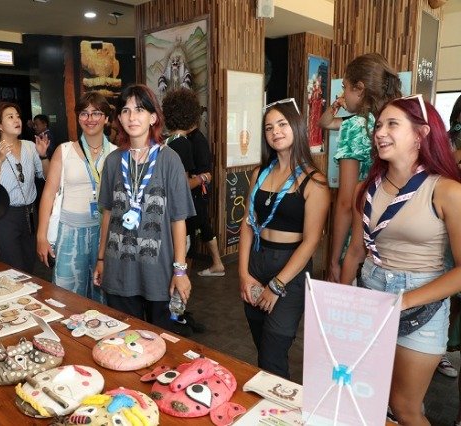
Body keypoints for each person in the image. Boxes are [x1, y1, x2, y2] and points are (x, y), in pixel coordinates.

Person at [340, 95, 461, 425]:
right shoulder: (366, 189)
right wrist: (340, 302)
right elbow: (356, 251)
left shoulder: (447, 191)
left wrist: (403, 301)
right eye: (379, 125)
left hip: (422, 305)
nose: (380, 132)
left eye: (392, 124)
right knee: (366, 395)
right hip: (371, 295)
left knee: (405, 408)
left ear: (421, 134)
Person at [238, 98, 330, 379]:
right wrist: (243, 274)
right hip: (257, 260)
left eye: (282, 124)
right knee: (261, 344)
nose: (275, 131)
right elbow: (247, 223)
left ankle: (277, 403)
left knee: (274, 350)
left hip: (290, 269)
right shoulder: (259, 173)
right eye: (269, 128)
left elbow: (311, 241)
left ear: (297, 127)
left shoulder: (315, 181)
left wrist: (277, 285)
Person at [93, 84, 195, 330]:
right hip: (119, 270)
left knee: (161, 340)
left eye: (139, 109)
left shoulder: (169, 159)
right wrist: (101, 259)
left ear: (153, 117)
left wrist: (180, 271)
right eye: (125, 111)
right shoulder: (113, 161)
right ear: (119, 119)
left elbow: (178, 220)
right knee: (124, 338)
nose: (132, 117)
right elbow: (108, 214)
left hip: (158, 273)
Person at [319, 53, 402, 282]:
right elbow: (324, 123)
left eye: (344, 87)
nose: (343, 94)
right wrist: (337, 104)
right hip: (393, 238)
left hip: (360, 239)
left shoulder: (356, 126)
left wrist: (334, 260)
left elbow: (346, 203)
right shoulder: (396, 122)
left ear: (359, 88)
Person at [36, 92, 116, 303]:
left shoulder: (116, 154)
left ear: (106, 118)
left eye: (96, 113)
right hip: (69, 233)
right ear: (78, 118)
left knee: (103, 297)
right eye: (84, 113)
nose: (90, 119)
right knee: (66, 298)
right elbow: (48, 194)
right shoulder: (64, 150)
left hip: (104, 234)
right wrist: (41, 236)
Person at [0, 101, 49, 273]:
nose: (17, 120)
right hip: (5, 216)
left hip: (30, 213)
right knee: (15, 269)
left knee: (30, 266)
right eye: (10, 117)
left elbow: (47, 177)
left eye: (17, 116)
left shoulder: (31, 146)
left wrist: (43, 155)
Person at [161, 88, 225, 277]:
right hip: (178, 211)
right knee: (182, 255)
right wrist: (202, 178)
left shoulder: (167, 142)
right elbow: (183, 185)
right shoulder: (183, 144)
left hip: (166, 209)